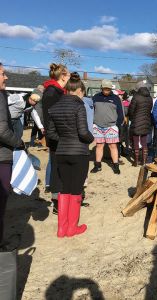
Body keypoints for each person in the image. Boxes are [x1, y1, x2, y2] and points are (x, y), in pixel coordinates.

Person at [47, 73, 93, 238]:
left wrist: (65, 139)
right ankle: (72, 227)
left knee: (63, 189)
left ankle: (62, 229)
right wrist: (91, 138)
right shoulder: (79, 106)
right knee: (76, 190)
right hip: (79, 152)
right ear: (80, 90)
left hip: (61, 152)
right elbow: (83, 131)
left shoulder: (56, 106)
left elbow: (51, 133)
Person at [0, 63, 25, 245]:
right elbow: (2, 130)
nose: (6, 77)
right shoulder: (0, 96)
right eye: (2, 74)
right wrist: (19, 142)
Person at [42, 63, 70, 213]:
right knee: (57, 169)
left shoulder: (60, 92)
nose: (70, 77)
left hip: (63, 137)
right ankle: (56, 203)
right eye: (68, 74)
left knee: (62, 169)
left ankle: (62, 199)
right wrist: (58, 137)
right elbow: (50, 120)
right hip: (57, 138)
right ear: (63, 76)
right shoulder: (52, 93)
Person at [91, 79, 124, 174]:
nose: (106, 90)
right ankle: (97, 165)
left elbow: (120, 113)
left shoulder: (116, 98)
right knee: (99, 146)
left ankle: (116, 166)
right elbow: (91, 110)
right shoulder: (95, 97)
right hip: (97, 126)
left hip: (111, 126)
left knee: (113, 146)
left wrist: (117, 125)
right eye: (105, 88)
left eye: (108, 89)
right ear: (101, 88)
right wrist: (93, 123)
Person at [128, 86, 153, 166]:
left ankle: (136, 161)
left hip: (136, 122)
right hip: (146, 122)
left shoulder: (136, 97)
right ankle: (144, 161)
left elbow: (131, 110)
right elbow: (150, 109)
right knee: (144, 141)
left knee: (135, 141)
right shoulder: (150, 98)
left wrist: (132, 118)